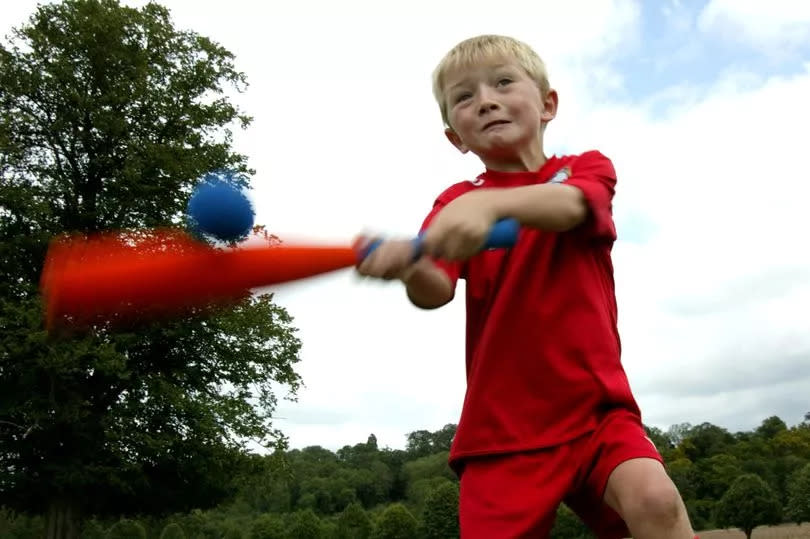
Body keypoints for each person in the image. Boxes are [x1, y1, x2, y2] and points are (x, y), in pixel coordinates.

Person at [355, 34, 697, 539]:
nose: (486, 99)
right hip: (501, 434)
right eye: (464, 96)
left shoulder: (584, 170)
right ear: (456, 137)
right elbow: (436, 290)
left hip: (597, 413)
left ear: (548, 104)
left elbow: (571, 207)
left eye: (503, 82)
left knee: (655, 499)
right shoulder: (454, 203)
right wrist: (409, 266)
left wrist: (493, 206)